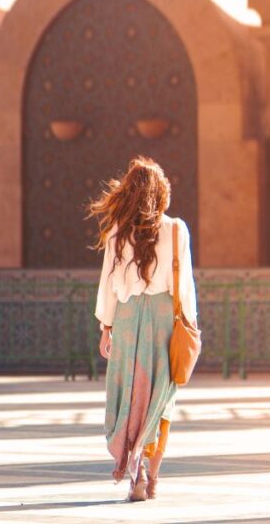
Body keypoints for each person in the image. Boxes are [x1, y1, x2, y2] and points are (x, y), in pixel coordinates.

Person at [88, 156, 198, 502]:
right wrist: (191, 323)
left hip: (126, 322)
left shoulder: (117, 233)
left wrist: (106, 328)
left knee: (131, 399)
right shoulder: (176, 230)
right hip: (164, 322)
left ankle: (133, 473)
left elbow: (108, 285)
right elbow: (185, 286)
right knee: (159, 402)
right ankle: (152, 479)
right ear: (161, 193)